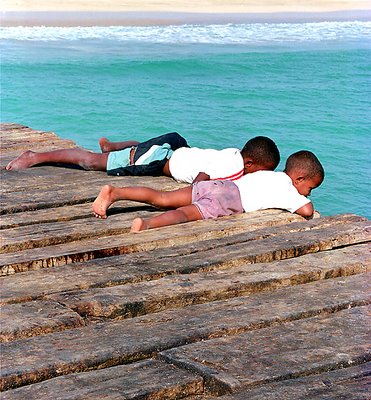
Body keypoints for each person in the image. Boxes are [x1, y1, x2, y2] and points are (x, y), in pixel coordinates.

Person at [92, 150, 324, 232]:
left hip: (219, 185)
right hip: (229, 199)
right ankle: (148, 225)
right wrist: (305, 200)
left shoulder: (269, 175)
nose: (308, 193)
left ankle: (115, 193)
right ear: (299, 178)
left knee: (162, 198)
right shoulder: (288, 188)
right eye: (310, 187)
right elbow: (305, 211)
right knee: (184, 214)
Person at [5, 132, 280, 183]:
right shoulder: (234, 169)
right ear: (250, 163)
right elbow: (202, 179)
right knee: (90, 163)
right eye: (263, 172)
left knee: (140, 149)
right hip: (159, 160)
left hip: (175, 146)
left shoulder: (235, 153)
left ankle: (113, 146)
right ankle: (35, 156)